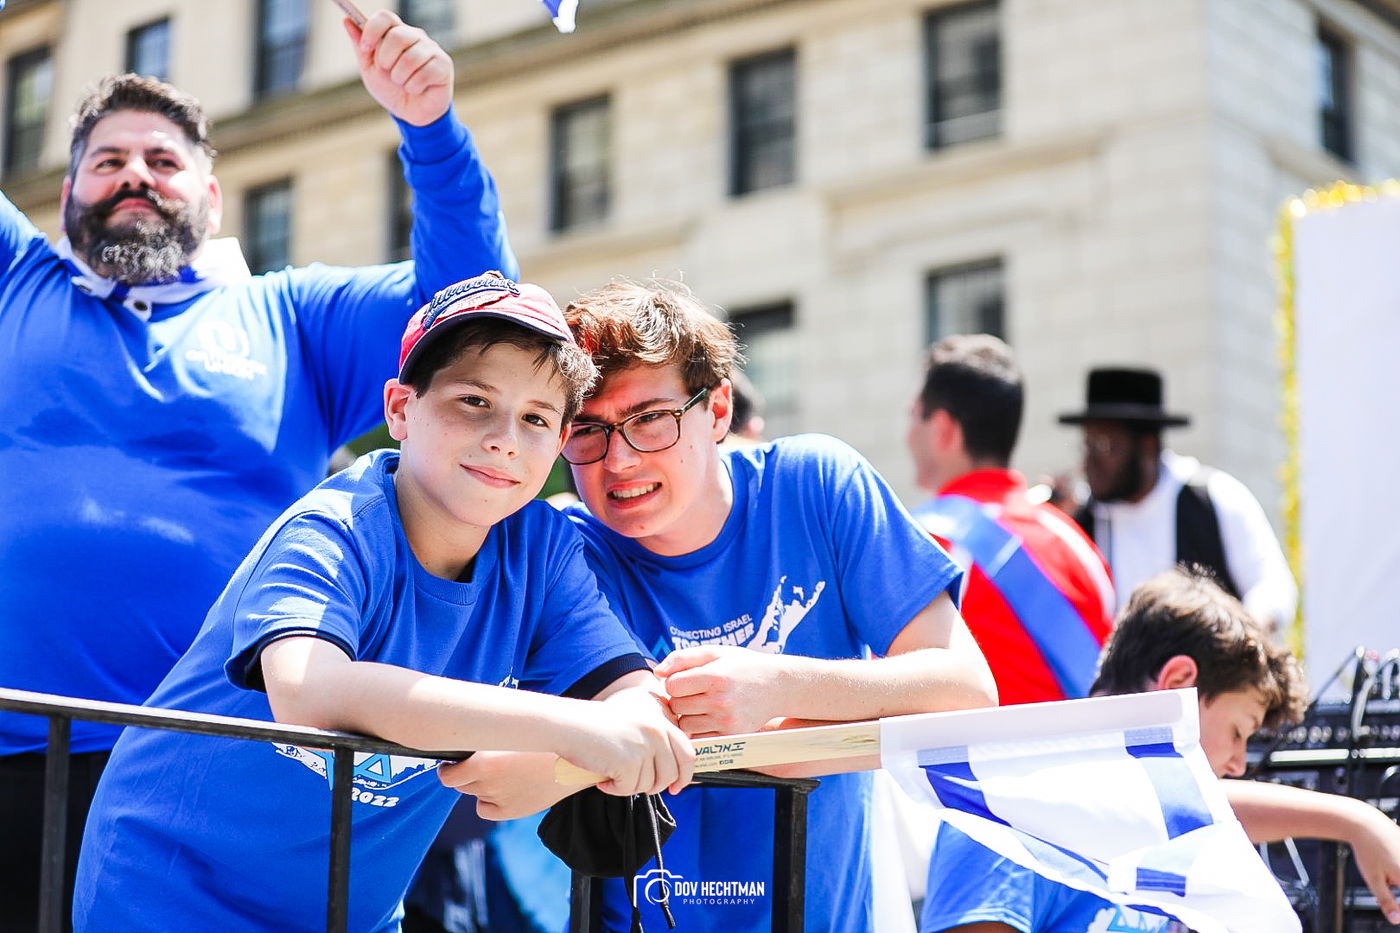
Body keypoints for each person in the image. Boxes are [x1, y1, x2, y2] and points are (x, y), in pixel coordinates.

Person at [0, 10, 515, 928]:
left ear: (212, 193)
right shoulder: (18, 282)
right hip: (14, 750)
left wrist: (429, 129)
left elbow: (472, 315)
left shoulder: (295, 318)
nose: (134, 177)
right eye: (107, 160)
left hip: (222, 767)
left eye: (162, 161)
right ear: (65, 188)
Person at [71, 273, 694, 933]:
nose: (506, 437)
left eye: (537, 418)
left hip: (351, 911)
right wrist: (571, 730)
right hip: (174, 892)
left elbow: (631, 694)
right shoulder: (337, 523)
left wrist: (561, 765)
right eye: (475, 400)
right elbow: (309, 692)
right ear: (400, 407)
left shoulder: (541, 549)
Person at [442, 279, 998, 933]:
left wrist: (780, 683)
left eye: (650, 417)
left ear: (719, 410)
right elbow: (489, 766)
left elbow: (967, 689)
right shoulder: (556, 547)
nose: (618, 458)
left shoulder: (818, 485)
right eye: (587, 429)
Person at [921, 569, 1400, 933]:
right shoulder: (1010, 804)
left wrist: (1356, 821)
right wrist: (1355, 821)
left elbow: (1217, 808)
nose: (1237, 764)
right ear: (1179, 682)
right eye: (1238, 731)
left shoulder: (1135, 812)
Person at [907, 335, 1115, 705]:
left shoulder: (922, 546)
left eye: (914, 418)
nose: (908, 437)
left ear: (942, 429)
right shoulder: (1079, 547)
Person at [1058, 366, 1297, 634]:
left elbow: (1273, 587)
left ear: (1147, 446)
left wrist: (1240, 637)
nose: (1089, 461)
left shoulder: (1212, 500)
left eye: (1104, 446)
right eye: (1087, 445)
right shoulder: (1082, 522)